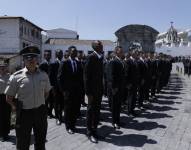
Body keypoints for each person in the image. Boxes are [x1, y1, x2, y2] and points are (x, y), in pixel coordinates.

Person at [5, 46, 51, 150]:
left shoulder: (43, 75)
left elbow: (46, 93)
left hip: (40, 112)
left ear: (37, 60)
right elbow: (8, 98)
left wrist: (39, 101)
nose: (31, 61)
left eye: (34, 58)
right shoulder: (16, 77)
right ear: (24, 60)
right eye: (28, 58)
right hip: (24, 114)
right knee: (22, 142)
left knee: (40, 140)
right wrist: (16, 108)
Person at [58, 46, 84, 134]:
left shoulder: (78, 62)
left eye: (75, 52)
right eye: (73, 52)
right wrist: (63, 90)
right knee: (68, 109)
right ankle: (68, 126)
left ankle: (73, 125)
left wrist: (81, 89)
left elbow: (80, 77)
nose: (74, 53)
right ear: (69, 52)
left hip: (77, 91)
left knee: (75, 109)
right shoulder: (64, 62)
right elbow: (60, 78)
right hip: (68, 91)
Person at [84, 40, 104, 143]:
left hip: (99, 90)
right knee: (90, 111)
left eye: (101, 44)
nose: (102, 46)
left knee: (97, 111)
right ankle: (89, 132)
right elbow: (86, 77)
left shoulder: (100, 57)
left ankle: (95, 130)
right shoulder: (91, 57)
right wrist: (88, 92)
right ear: (95, 47)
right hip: (92, 91)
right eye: (99, 44)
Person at [107, 46, 125, 129]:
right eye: (120, 51)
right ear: (116, 52)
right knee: (114, 106)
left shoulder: (121, 61)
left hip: (120, 87)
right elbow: (111, 76)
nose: (122, 52)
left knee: (118, 105)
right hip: (115, 88)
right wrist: (113, 88)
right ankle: (114, 122)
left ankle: (118, 120)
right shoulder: (113, 62)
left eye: (122, 51)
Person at [49, 50, 64, 125]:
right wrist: (52, 87)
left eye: (61, 53)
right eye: (59, 53)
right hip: (55, 87)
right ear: (56, 55)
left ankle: (61, 116)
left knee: (62, 102)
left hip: (62, 87)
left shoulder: (64, 62)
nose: (60, 54)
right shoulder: (53, 63)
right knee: (56, 102)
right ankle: (57, 117)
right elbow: (50, 76)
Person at [0, 59, 11, 142]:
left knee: (7, 116)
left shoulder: (9, 76)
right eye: (1, 68)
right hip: (0, 98)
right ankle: (1, 134)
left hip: (7, 97)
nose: (2, 69)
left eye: (4, 67)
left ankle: (6, 133)